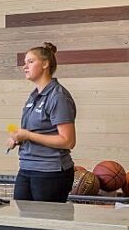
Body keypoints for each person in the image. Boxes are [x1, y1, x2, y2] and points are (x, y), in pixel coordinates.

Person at [7, 42, 78, 203]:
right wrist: (18, 138)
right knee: (21, 216)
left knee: (45, 218)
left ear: (45, 64)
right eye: (24, 62)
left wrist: (28, 135)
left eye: (30, 61)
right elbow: (37, 132)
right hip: (26, 167)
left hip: (50, 171)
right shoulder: (33, 97)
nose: (25, 66)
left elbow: (68, 141)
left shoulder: (58, 97)